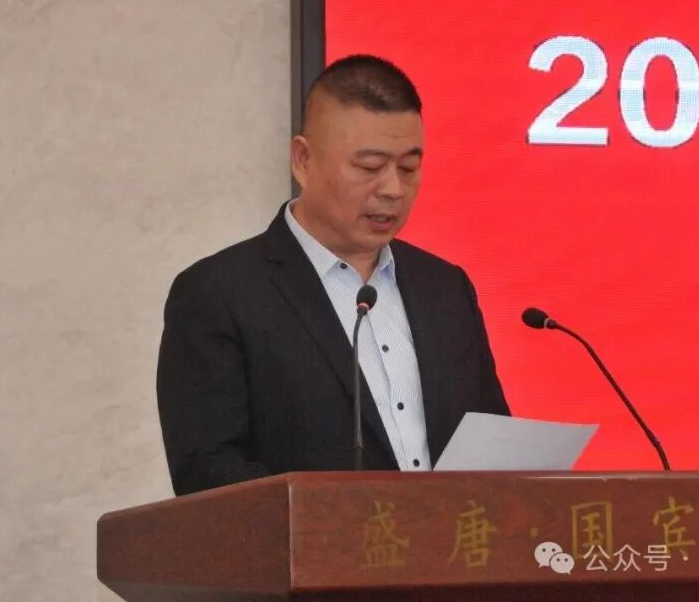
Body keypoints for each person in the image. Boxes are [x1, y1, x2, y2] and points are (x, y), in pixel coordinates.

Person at [156, 54, 509, 495]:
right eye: (369, 167)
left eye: (408, 168)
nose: (392, 189)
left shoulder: (445, 288)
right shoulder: (219, 294)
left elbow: (492, 441)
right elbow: (206, 472)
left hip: (452, 539)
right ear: (303, 160)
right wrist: (335, 520)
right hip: (308, 542)